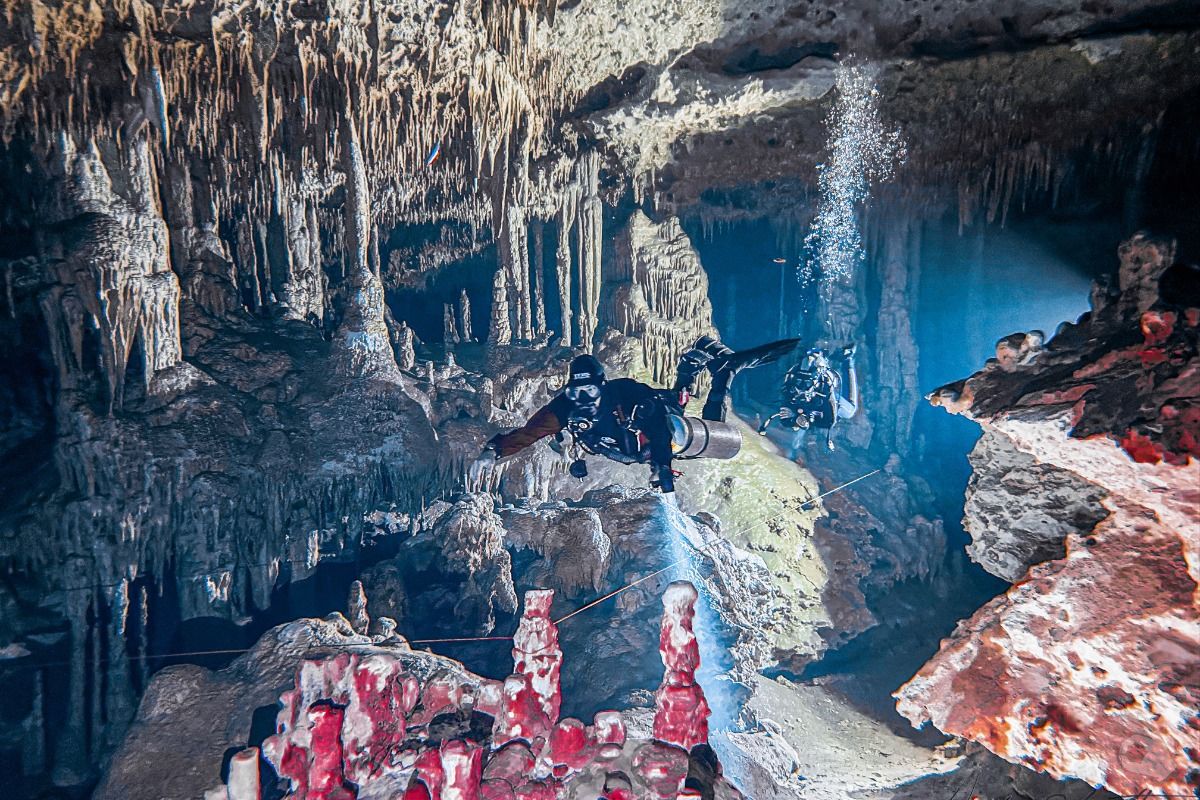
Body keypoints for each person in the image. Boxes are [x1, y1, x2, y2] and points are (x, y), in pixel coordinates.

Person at [476, 336, 799, 493]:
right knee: (678, 418)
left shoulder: (623, 395)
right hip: (635, 445)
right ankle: (690, 368)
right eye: (577, 392)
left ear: (602, 387)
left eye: (590, 392)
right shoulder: (566, 406)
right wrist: (495, 451)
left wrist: (662, 470)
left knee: (708, 436)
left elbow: (658, 427)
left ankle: (723, 372)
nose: (584, 400)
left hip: (660, 420)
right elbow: (531, 432)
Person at [758, 344, 858, 451]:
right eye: (800, 382)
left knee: (850, 411)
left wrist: (804, 418)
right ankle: (846, 358)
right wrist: (797, 418)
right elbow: (785, 419)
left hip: (823, 401)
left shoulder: (825, 389)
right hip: (812, 403)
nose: (802, 388)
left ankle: (847, 361)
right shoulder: (790, 386)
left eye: (807, 383)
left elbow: (829, 421)